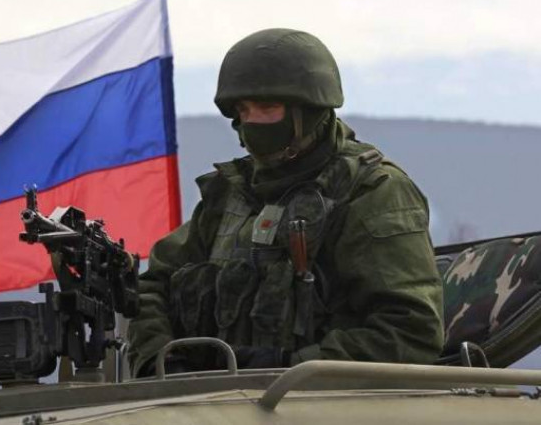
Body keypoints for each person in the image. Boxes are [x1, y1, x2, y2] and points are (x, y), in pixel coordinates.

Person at [127, 28, 444, 376]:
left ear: (309, 112)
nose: (252, 122)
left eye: (267, 108)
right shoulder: (230, 195)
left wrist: (292, 368)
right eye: (243, 110)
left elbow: (410, 331)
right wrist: (162, 360)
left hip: (321, 399)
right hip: (212, 399)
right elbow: (154, 286)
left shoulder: (371, 193)